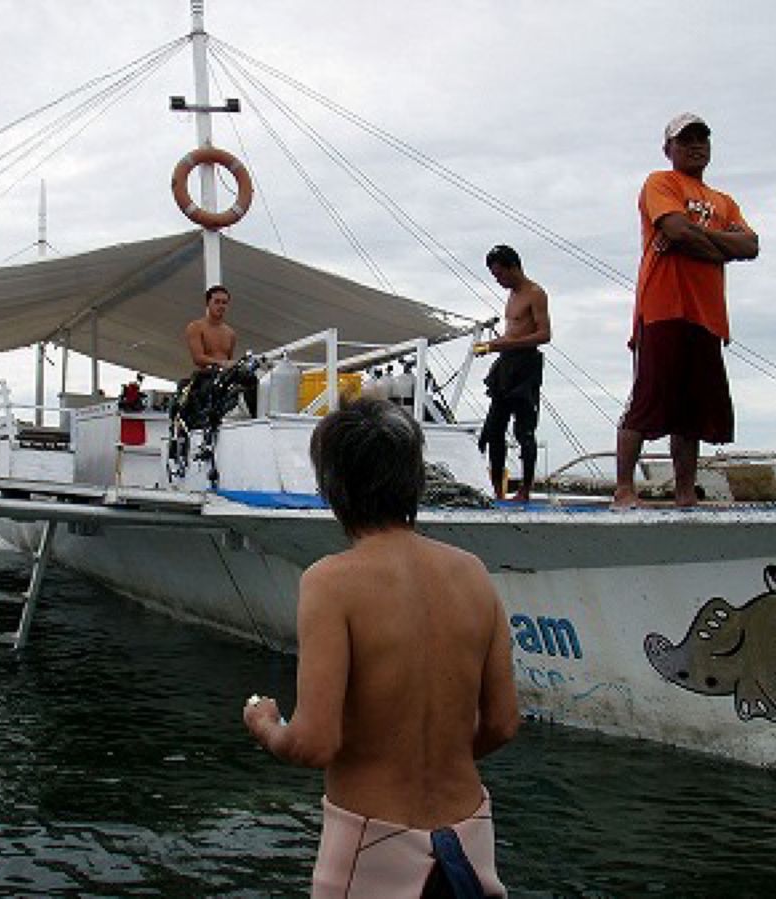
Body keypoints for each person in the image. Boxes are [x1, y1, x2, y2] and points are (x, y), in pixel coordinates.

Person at [243, 398, 519, 898]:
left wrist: (265, 726)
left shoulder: (331, 583)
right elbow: (502, 722)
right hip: (470, 837)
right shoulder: (474, 574)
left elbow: (314, 743)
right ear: (414, 479)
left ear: (334, 485)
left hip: (373, 845)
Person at [613, 113, 759, 508]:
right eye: (686, 140)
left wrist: (702, 241)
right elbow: (675, 229)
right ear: (669, 149)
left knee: (691, 411)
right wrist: (721, 246)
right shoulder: (660, 182)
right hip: (663, 309)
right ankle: (624, 490)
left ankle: (685, 492)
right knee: (647, 400)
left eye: (702, 139)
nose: (696, 145)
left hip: (707, 316)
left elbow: (751, 246)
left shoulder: (725, 201)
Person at [474, 244, 551, 502]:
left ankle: (525, 489)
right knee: (495, 428)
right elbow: (514, 331)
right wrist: (492, 346)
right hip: (506, 363)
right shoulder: (512, 295)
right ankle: (497, 487)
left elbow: (544, 334)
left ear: (513, 268)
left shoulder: (535, 293)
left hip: (526, 364)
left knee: (524, 429)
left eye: (500, 275)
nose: (498, 281)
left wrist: (502, 344)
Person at [183, 283, 257, 417]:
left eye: (224, 303)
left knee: (251, 379)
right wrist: (222, 363)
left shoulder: (230, 333)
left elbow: (229, 360)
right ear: (208, 303)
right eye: (217, 302)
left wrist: (231, 366)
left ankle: (256, 416)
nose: (221, 306)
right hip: (205, 379)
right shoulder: (196, 327)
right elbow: (198, 358)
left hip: (226, 378)